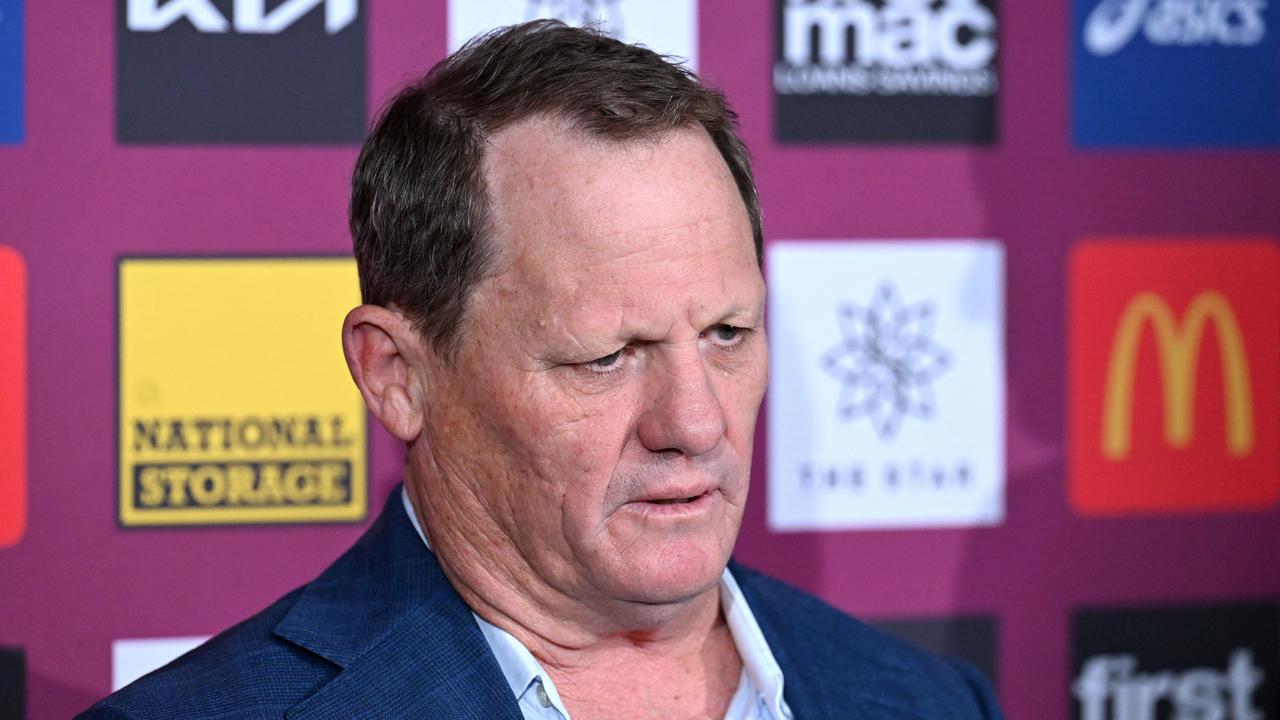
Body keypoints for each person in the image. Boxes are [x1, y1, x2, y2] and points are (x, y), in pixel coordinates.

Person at [81, 21, 1003, 720]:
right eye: (605, 357)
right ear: (397, 374)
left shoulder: (930, 700)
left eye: (727, 334)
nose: (695, 422)